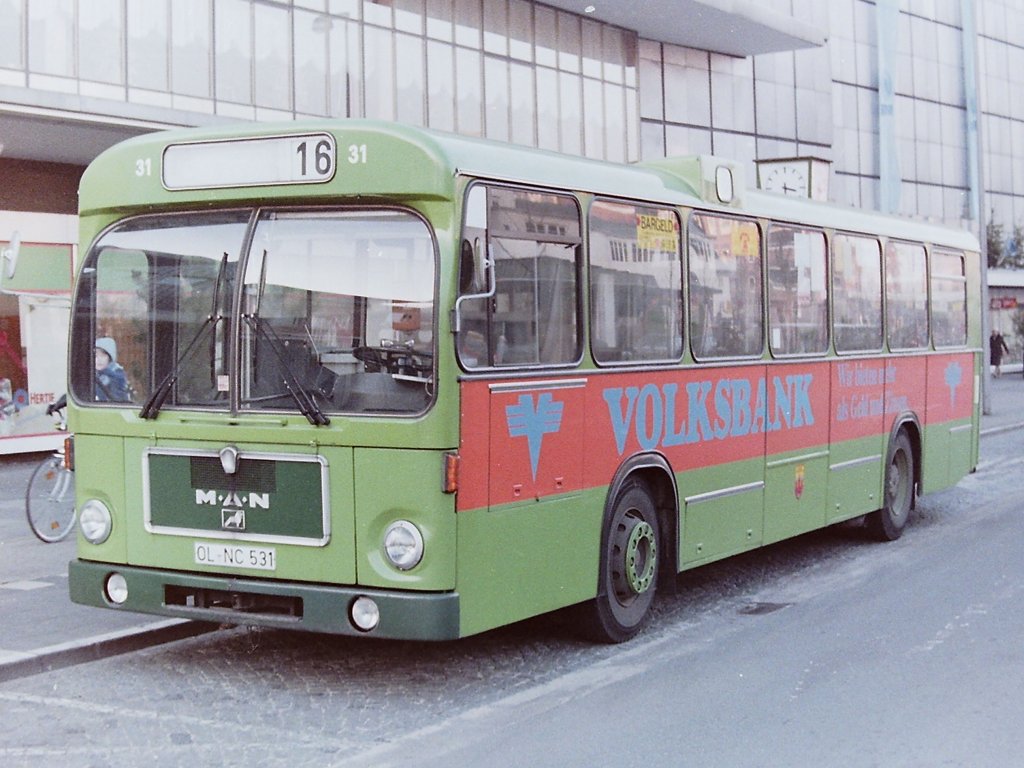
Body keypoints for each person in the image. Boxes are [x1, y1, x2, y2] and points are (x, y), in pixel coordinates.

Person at [94, 336, 130, 401]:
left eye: (103, 355)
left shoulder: (117, 376)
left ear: (110, 358)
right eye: (95, 356)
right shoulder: (91, 374)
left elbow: (118, 401)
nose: (99, 359)